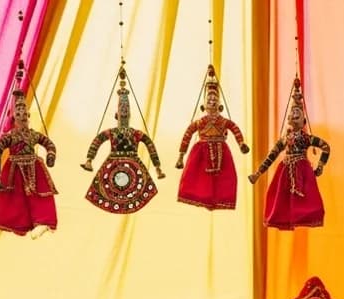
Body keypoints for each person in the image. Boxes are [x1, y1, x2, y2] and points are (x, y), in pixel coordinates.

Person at [249, 76, 330, 229]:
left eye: (297, 112)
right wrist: (257, 174)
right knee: (282, 200)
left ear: (304, 120)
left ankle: (304, 217)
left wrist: (320, 166)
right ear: (288, 118)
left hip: (303, 170)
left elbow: (326, 147)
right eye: (292, 113)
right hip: (285, 169)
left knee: (307, 200)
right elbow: (271, 156)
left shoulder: (306, 138)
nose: (294, 115)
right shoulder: (285, 138)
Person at [0, 63, 57, 236]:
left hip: (34, 167)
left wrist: (50, 156)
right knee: (16, 199)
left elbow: (49, 144)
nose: (21, 114)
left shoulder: (34, 135)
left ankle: (43, 222)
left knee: (40, 196)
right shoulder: (9, 136)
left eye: (23, 111)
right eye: (17, 111)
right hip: (14, 169)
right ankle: (20, 224)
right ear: (13, 117)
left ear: (28, 115)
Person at [82, 67, 164, 214]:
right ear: (116, 114)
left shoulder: (136, 134)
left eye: (126, 110)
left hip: (132, 165)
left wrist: (157, 167)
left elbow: (150, 145)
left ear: (130, 114)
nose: (124, 112)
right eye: (122, 110)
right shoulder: (112, 132)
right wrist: (89, 160)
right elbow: (97, 141)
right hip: (115, 163)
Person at [176, 64, 248, 210]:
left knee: (224, 179)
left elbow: (234, 128)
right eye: (209, 99)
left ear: (220, 104)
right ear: (203, 105)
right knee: (201, 181)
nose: (212, 101)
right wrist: (180, 156)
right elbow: (188, 134)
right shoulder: (200, 122)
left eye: (215, 99)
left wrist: (242, 144)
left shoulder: (223, 121)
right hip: (201, 154)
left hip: (222, 152)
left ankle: (220, 200)